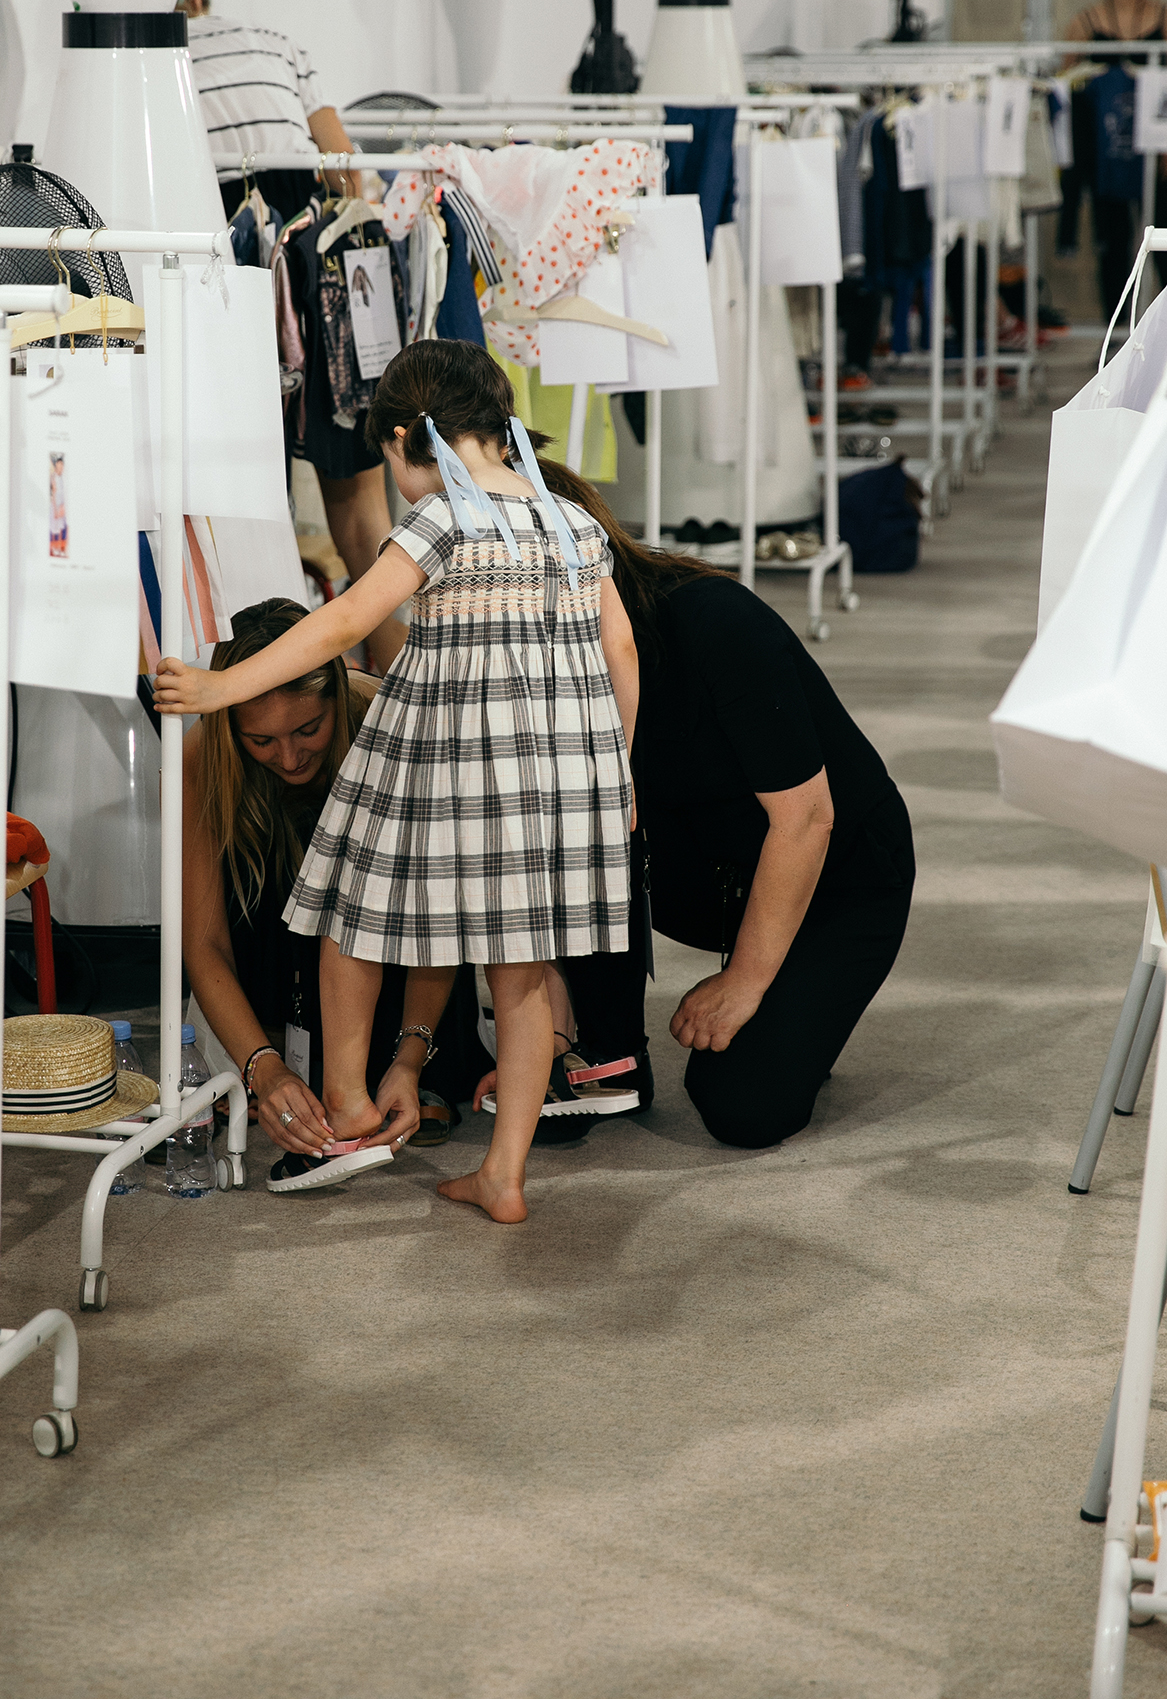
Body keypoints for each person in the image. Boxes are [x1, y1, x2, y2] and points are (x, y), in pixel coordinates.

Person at [156, 340, 639, 1223]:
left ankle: (346, 1104)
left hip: (451, 755)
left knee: (352, 914)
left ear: (410, 438)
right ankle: (505, 1173)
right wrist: (619, 773)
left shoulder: (442, 520)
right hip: (567, 774)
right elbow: (621, 652)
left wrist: (224, 685)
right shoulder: (575, 523)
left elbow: (346, 618)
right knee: (522, 975)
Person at [535, 463, 915, 1151]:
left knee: (742, 1106)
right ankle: (610, 1055)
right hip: (700, 868)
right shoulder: (531, 658)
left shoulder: (715, 620)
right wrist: (554, 1025)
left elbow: (807, 820)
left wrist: (745, 980)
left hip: (839, 871)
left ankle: (789, 991)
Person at [177, 597, 479, 1189]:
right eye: (260, 742)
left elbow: (440, 916)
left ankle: (411, 1061)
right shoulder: (200, 757)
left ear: (338, 698)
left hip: (404, 958)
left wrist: (411, 1059)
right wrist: (263, 1071)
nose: (289, 757)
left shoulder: (396, 720)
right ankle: (281, 1060)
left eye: (308, 729)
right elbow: (204, 944)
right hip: (274, 973)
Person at [179, 0, 404, 670]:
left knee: (250, 484)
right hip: (311, 237)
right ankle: (399, 682)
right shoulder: (277, 41)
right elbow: (342, 163)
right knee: (359, 493)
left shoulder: (156, 57)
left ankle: (266, 681)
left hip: (218, 232)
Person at [1061, 0, 1167, 312]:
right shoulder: (1085, 23)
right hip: (1108, 152)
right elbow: (1066, 87)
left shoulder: (1166, 18)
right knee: (1114, 242)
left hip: (1155, 146)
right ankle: (1117, 334)